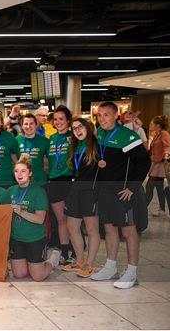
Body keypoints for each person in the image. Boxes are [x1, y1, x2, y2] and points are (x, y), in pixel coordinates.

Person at [91, 101, 150, 289]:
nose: (102, 119)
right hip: (105, 191)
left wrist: (132, 187)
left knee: (128, 231)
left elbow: (143, 163)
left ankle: (132, 272)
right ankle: (111, 267)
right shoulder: (99, 134)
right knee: (109, 228)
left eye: (106, 115)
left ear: (116, 116)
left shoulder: (129, 137)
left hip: (123, 192)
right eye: (99, 115)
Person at [8, 157, 61, 281]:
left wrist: (21, 212)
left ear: (30, 173)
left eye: (23, 171)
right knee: (19, 274)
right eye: (16, 171)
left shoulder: (39, 191)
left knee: (38, 277)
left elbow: (40, 219)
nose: (19, 174)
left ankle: (53, 259)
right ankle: (29, 262)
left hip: (35, 239)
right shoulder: (10, 191)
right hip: (16, 239)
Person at [62, 118, 100, 278]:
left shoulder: (97, 146)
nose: (77, 131)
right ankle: (80, 261)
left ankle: (90, 264)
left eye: (80, 127)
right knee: (72, 227)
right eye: (74, 128)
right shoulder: (75, 147)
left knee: (92, 229)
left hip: (90, 191)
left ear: (88, 127)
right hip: (75, 189)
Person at [47, 105, 73, 264]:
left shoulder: (74, 138)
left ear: (68, 121)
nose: (58, 122)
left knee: (73, 220)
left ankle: (77, 252)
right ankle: (64, 253)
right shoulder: (51, 139)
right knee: (61, 220)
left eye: (61, 119)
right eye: (56, 119)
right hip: (54, 182)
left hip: (70, 181)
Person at [146, 115, 170, 217]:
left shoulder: (164, 134)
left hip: (160, 165)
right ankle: (162, 210)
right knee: (159, 188)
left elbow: (168, 146)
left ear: (158, 125)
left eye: (152, 123)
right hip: (156, 164)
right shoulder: (158, 134)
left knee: (150, 186)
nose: (150, 125)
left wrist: (167, 154)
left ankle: (141, 208)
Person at [16, 114, 50, 186]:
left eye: (31, 123)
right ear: (22, 126)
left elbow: (51, 160)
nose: (28, 126)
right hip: (22, 181)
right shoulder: (16, 140)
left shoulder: (45, 141)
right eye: (25, 124)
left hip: (40, 181)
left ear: (36, 125)